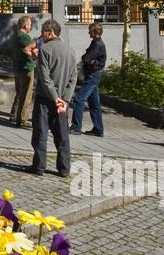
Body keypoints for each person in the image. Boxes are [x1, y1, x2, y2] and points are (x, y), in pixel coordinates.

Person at [29, 19, 77, 178]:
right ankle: (64, 168)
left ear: (50, 33)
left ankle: (39, 166)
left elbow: (44, 78)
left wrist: (55, 98)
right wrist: (65, 99)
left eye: (43, 31)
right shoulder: (70, 50)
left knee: (40, 133)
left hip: (45, 98)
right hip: (62, 100)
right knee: (62, 135)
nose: (41, 35)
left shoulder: (45, 49)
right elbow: (73, 77)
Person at [70, 22, 106, 137]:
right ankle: (98, 129)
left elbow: (86, 58)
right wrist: (88, 60)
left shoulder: (97, 44)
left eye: (90, 31)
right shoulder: (95, 43)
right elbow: (87, 59)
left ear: (95, 32)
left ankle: (76, 127)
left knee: (78, 99)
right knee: (94, 104)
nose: (88, 33)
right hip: (92, 75)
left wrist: (89, 60)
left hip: (92, 75)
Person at [9, 15, 36, 127]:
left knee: (20, 92)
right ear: (25, 25)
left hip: (17, 67)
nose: (31, 27)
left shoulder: (15, 36)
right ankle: (23, 119)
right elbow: (31, 50)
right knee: (26, 94)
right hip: (26, 68)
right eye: (30, 25)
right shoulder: (25, 37)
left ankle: (14, 114)